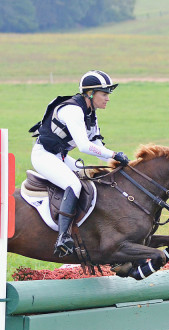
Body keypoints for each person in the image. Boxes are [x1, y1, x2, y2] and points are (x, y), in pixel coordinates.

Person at [29, 70, 130, 257]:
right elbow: (84, 146)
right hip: (44, 156)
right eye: (104, 93)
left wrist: (119, 164)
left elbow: (97, 143)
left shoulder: (91, 113)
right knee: (73, 185)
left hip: (61, 156)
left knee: (97, 179)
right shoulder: (73, 110)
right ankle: (63, 237)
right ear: (90, 93)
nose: (108, 98)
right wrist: (114, 154)